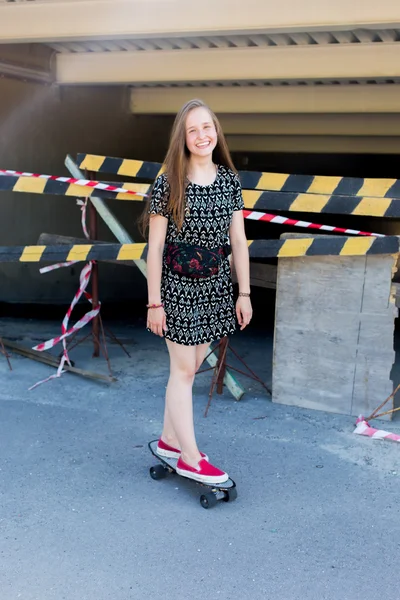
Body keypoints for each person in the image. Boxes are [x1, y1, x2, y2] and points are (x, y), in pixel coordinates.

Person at [143, 98, 252, 484]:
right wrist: (154, 302)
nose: (202, 135)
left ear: (216, 131)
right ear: (183, 138)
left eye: (207, 127)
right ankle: (190, 457)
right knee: (184, 370)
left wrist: (245, 293)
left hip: (215, 289)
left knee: (189, 369)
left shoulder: (229, 181)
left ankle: (170, 439)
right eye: (193, 130)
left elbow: (238, 241)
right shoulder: (168, 183)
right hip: (176, 289)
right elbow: (154, 248)